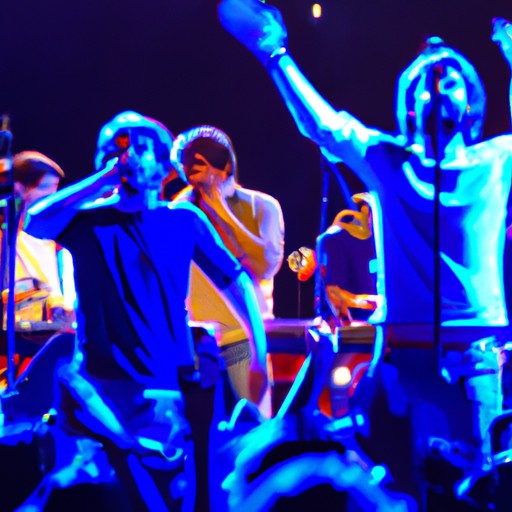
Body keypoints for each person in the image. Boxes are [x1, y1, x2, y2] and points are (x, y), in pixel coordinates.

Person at [218, 2, 512, 507]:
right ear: (407, 102)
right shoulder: (386, 161)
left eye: (450, 81)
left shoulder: (496, 162)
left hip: (474, 359)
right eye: (422, 83)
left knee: (475, 487)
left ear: (471, 100)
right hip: (401, 360)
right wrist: (275, 53)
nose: (436, 88)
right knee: (399, 486)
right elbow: (324, 127)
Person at [23, 110, 269, 511]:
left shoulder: (183, 219)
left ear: (163, 165)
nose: (129, 157)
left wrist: (258, 354)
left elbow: (236, 280)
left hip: (166, 391)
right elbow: (34, 220)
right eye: (117, 148)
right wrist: (104, 180)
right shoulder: (84, 221)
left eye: (140, 147)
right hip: (101, 394)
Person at [170, 125, 284, 402]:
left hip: (244, 341)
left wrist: (216, 205)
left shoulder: (262, 205)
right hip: (199, 342)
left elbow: (265, 266)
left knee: (249, 429)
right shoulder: (180, 208)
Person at [0, 151, 75, 385]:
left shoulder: (55, 243)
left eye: (55, 189)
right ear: (19, 189)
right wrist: (47, 309)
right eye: (44, 188)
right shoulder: (5, 239)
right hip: (13, 355)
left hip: (51, 349)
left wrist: (64, 311)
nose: (53, 196)